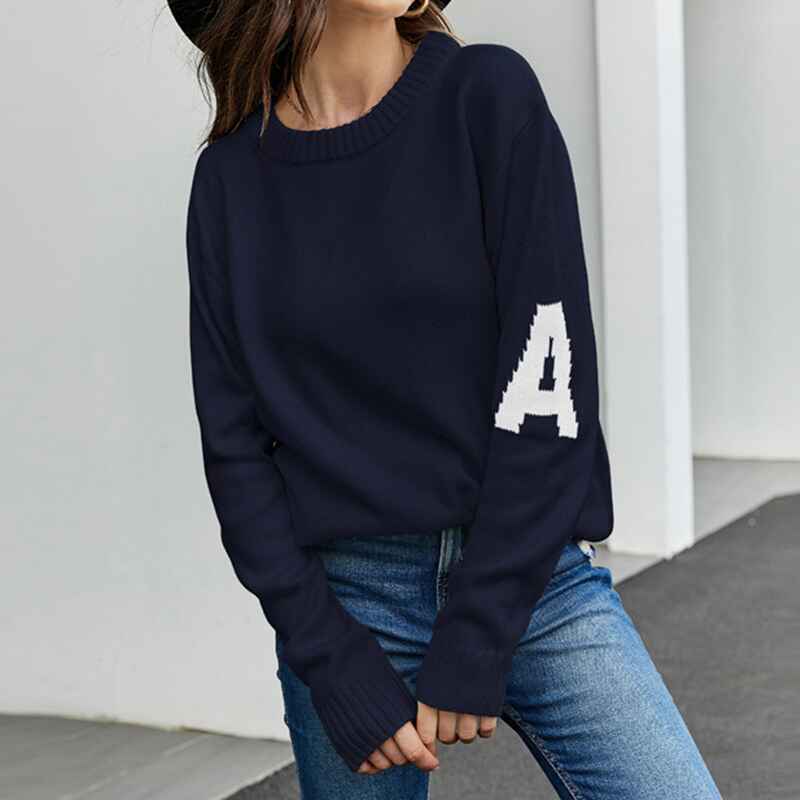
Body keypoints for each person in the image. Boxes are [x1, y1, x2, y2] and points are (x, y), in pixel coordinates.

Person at [169, 0, 723, 797]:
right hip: (346, 608)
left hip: (531, 575)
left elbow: (547, 390)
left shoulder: (487, 98)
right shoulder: (230, 179)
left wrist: (481, 623)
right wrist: (328, 655)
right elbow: (235, 451)